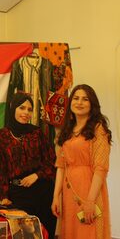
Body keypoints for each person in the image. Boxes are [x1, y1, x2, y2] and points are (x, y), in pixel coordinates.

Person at [0, 92, 56, 238]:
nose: (26, 112)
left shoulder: (38, 133)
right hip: (17, 194)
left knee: (43, 233)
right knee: (21, 234)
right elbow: (0, 169)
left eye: (29, 109)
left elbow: (52, 161)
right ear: (13, 108)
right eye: (22, 108)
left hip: (42, 192)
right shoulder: (0, 136)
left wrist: (36, 175)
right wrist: (3, 195)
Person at [51, 84, 111, 239]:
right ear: (70, 102)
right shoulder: (68, 130)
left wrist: (91, 201)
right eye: (76, 98)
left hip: (89, 188)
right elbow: (61, 166)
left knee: (87, 231)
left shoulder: (98, 129)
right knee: (71, 232)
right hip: (69, 191)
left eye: (85, 99)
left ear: (92, 104)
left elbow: (100, 168)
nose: (79, 102)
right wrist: (56, 196)